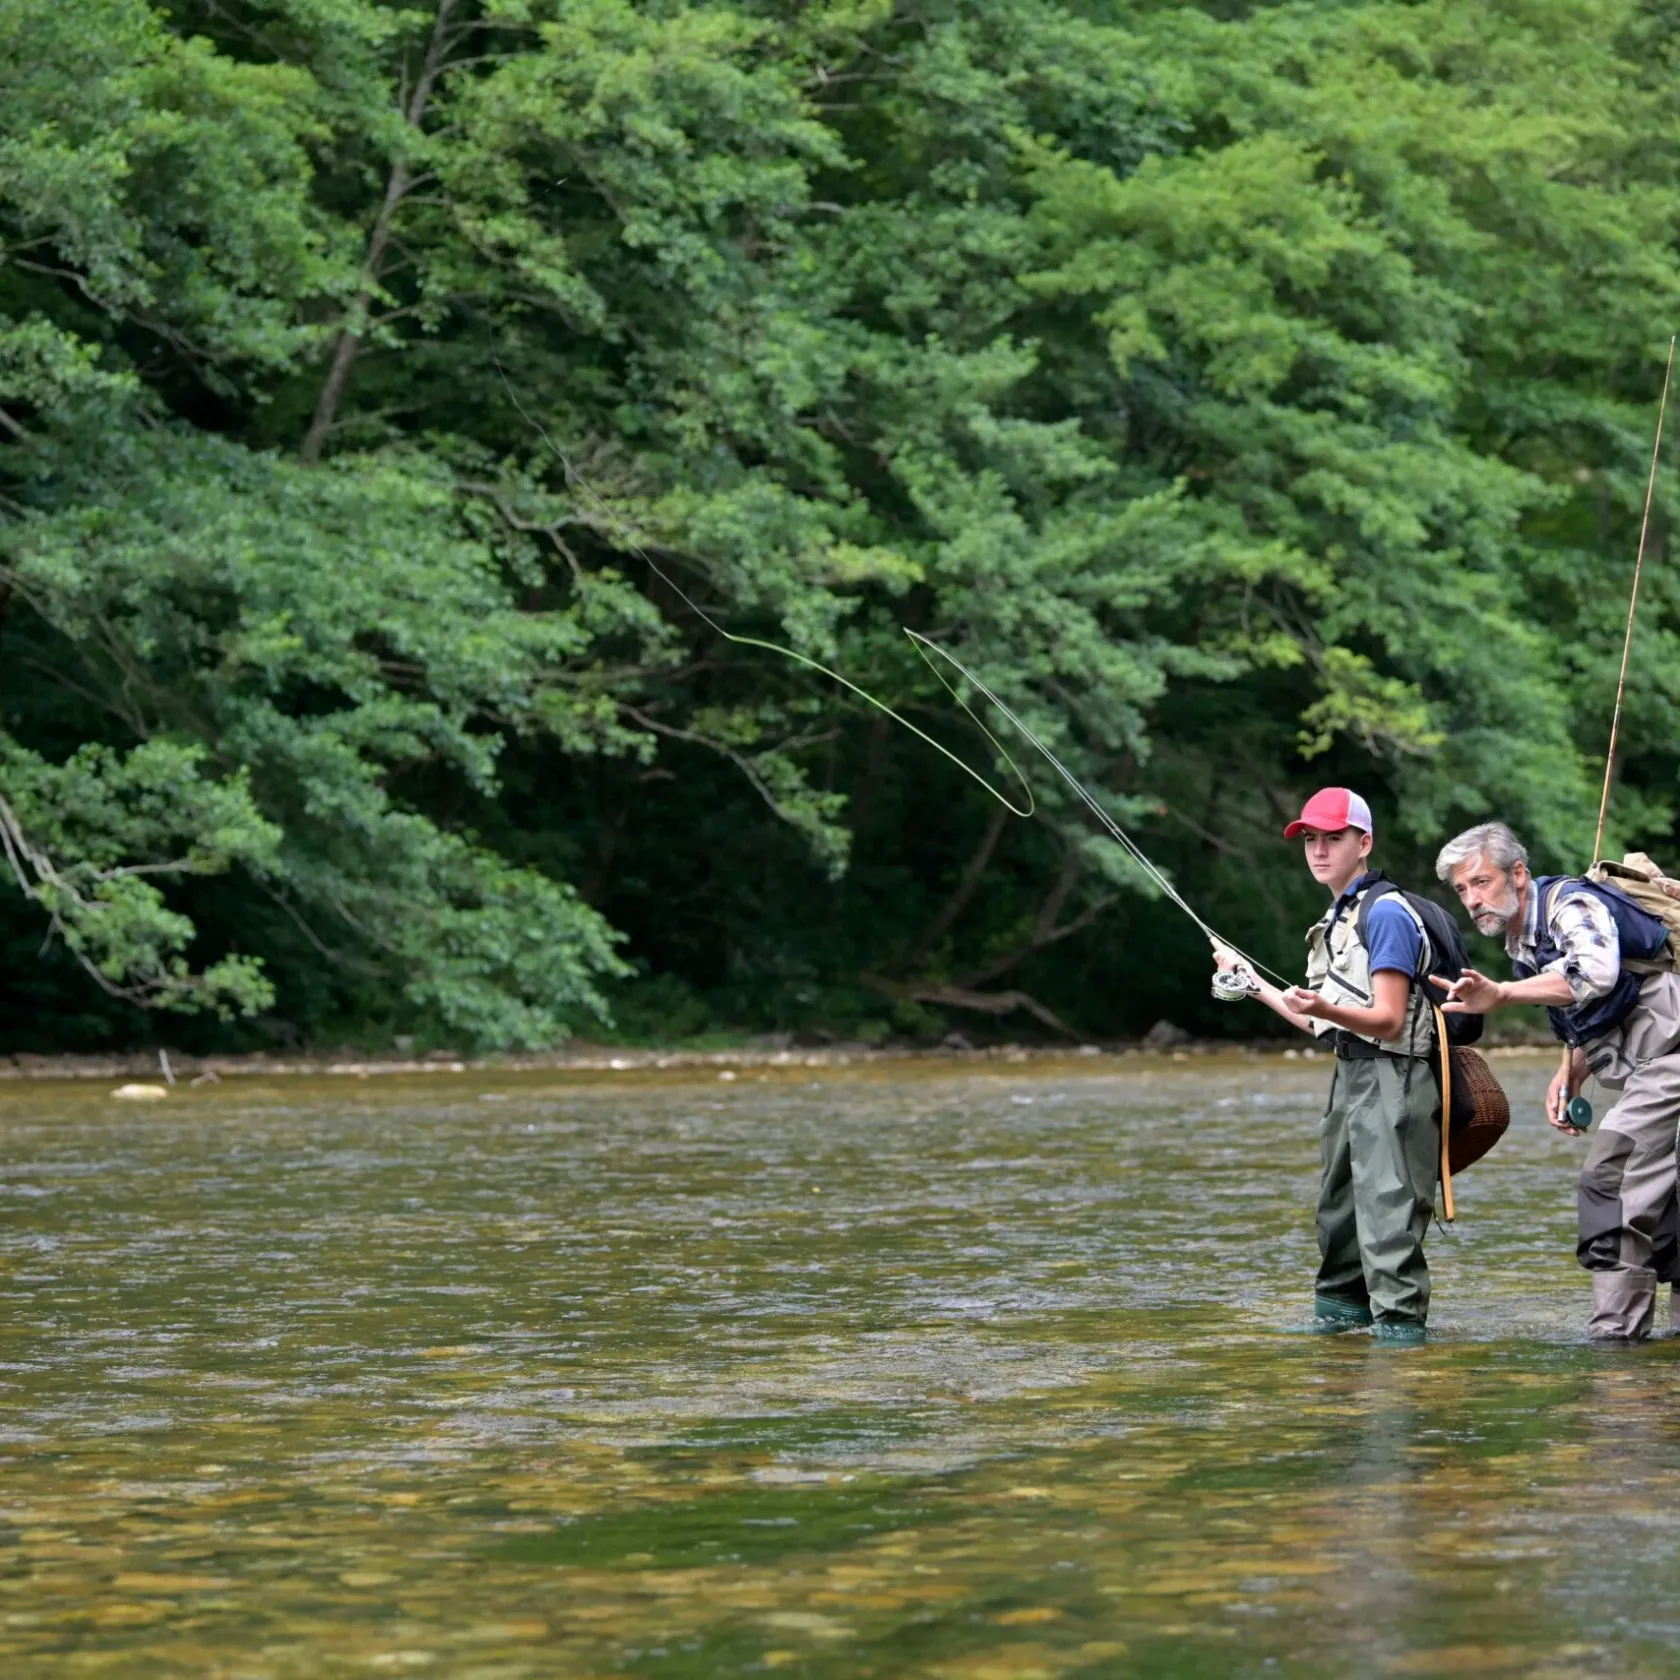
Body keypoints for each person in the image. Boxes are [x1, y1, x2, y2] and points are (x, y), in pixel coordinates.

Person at [1433, 820, 1680, 1340]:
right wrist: (1572, 1068)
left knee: (1609, 1179)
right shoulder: (1522, 943)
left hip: (1669, 1058)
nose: (1472, 900)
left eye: (1481, 882)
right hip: (1651, 1061)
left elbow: (1597, 974)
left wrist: (1500, 995)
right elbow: (1600, 1008)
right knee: (1668, 1194)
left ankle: (1616, 1341)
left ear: (1518, 874)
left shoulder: (1571, 906)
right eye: (1462, 890)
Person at [1215, 787, 1440, 1344]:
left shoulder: (1384, 913)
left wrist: (1324, 1008)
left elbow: (1387, 1020)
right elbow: (1320, 1021)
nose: (1318, 850)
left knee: (1388, 1221)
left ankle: (1401, 1349)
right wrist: (1252, 983)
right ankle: (1338, 1337)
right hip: (1350, 1076)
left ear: (1363, 843)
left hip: (1396, 1078)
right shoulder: (1340, 916)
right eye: (1310, 839)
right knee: (1337, 1217)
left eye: (1332, 838)